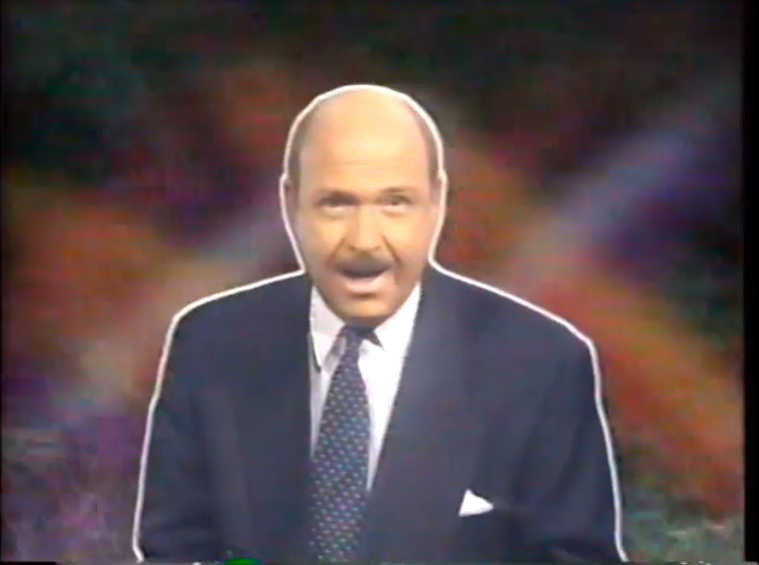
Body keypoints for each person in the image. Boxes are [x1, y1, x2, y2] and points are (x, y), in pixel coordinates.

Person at [133, 84, 628, 563]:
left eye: (395, 203)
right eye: (336, 203)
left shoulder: (541, 363)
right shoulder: (211, 343)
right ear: (290, 204)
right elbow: (174, 551)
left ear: (436, 203)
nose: (364, 241)